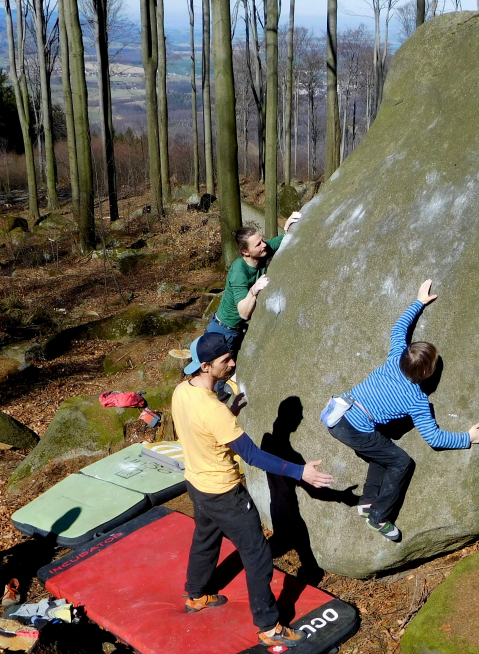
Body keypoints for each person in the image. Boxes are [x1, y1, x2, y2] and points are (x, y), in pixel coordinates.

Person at [173, 332, 334, 648]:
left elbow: (200, 428)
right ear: (205, 366)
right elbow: (253, 455)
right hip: (224, 493)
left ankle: (195, 594)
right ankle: (268, 626)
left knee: (205, 537)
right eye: (225, 361)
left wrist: (229, 414)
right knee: (258, 554)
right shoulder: (214, 411)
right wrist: (302, 472)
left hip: (196, 483)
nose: (232, 364)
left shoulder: (182, 391)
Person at [327, 279, 479, 542]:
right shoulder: (416, 400)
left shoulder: (394, 357)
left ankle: (368, 501)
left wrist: (419, 302)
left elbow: (398, 328)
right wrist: (467, 438)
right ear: (426, 374)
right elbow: (434, 439)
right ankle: (379, 516)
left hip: (338, 413)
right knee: (401, 461)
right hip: (355, 429)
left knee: (382, 449)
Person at [206, 212, 302, 355]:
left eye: (262, 240)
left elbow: (281, 241)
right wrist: (254, 290)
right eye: (258, 244)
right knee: (219, 376)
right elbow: (243, 312)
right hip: (222, 333)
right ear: (245, 252)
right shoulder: (239, 272)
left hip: (237, 330)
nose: (264, 245)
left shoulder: (261, 251)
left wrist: (288, 228)